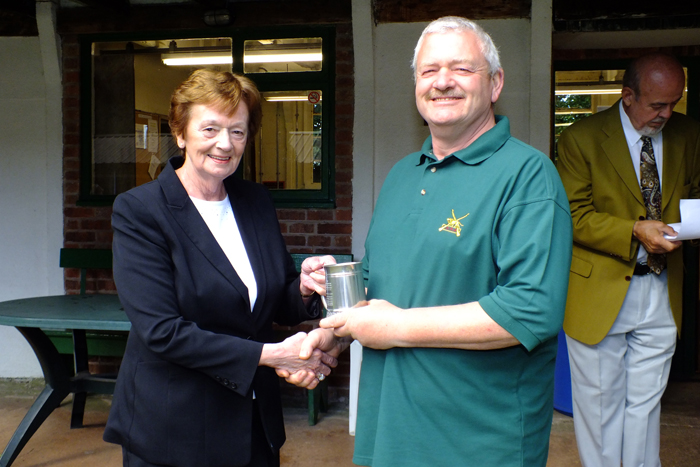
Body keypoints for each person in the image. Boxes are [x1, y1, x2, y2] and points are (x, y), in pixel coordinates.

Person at [302, 16, 573, 467]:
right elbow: (379, 281)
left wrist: (395, 328)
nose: (442, 82)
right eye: (429, 71)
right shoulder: (402, 173)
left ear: (495, 83)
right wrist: (337, 310)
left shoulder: (528, 176)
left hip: (479, 441)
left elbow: (529, 311)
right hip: (389, 432)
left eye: (462, 69)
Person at [103, 69, 338, 467]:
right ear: (180, 133)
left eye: (238, 131)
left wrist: (302, 287)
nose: (224, 144)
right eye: (210, 128)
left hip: (253, 424)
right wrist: (270, 355)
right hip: (174, 430)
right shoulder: (141, 210)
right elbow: (162, 332)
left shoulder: (255, 201)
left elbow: (271, 301)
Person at [556, 53, 700, 466]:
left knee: (645, 406)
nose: (666, 114)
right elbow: (574, 217)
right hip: (598, 291)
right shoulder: (580, 138)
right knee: (601, 409)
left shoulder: (689, 135)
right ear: (628, 95)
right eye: (657, 105)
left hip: (662, 288)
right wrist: (635, 230)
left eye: (674, 103)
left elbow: (694, 192)